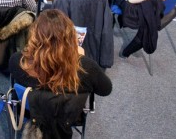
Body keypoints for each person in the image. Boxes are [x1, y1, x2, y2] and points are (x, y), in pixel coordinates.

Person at [9, 9, 112, 138]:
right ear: (70, 37)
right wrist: (78, 57)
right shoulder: (86, 67)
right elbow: (106, 89)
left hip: (31, 113)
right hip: (68, 118)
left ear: (35, 35)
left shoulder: (18, 61)